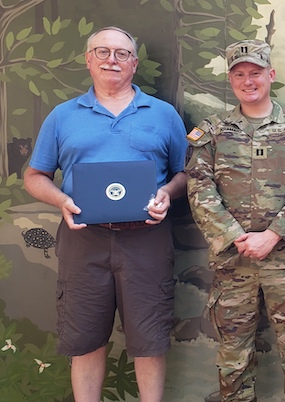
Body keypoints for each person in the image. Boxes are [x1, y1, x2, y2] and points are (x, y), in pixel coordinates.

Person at [24, 27, 187, 401]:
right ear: (88, 59)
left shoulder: (163, 115)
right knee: (84, 339)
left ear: (134, 63)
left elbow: (185, 173)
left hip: (147, 240)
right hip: (83, 239)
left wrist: (166, 192)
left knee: (149, 340)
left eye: (121, 53)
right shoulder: (62, 116)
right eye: (102, 52)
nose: (111, 60)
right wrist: (60, 200)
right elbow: (35, 177)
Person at [185, 39, 285, 402]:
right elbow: (200, 188)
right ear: (230, 80)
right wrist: (235, 236)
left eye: (256, 73)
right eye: (239, 74)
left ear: (271, 75)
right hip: (234, 265)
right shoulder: (212, 132)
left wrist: (273, 235)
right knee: (233, 363)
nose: (248, 81)